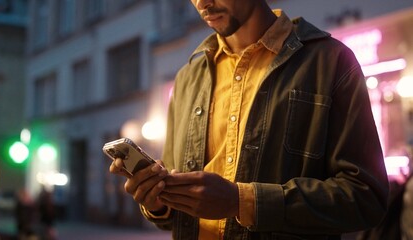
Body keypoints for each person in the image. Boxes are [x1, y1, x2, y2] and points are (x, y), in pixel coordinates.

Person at [109, 0, 389, 239]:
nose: (202, 3)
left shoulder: (330, 61)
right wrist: (158, 201)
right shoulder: (188, 78)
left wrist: (241, 202)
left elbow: (366, 198)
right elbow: (175, 218)